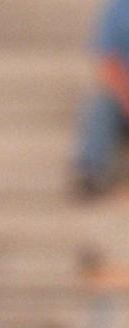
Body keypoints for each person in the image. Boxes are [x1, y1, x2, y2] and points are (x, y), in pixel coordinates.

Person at [73, 0, 129, 198]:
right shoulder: (118, 10)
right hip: (123, 96)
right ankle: (91, 172)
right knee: (101, 106)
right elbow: (108, 64)